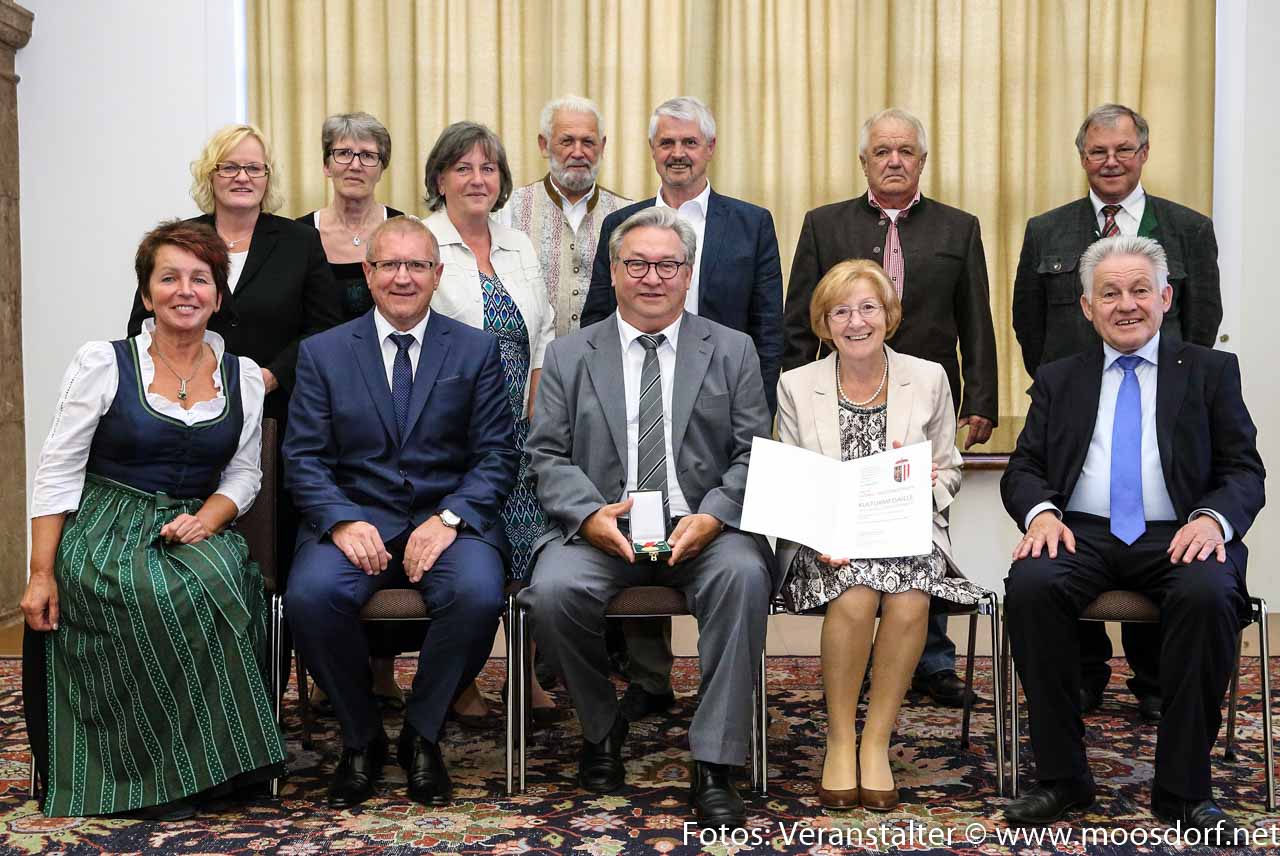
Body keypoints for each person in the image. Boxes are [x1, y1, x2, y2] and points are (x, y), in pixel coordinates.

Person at [1001, 236, 1264, 837]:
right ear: (1087, 307)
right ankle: (1062, 779)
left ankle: (1183, 791)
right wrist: (1041, 514)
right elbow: (1025, 467)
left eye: (1140, 290)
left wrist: (1211, 520)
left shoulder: (1210, 371)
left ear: (1165, 297)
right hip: (1081, 532)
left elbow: (1244, 470)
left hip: (1181, 531)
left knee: (1208, 594)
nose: (1126, 305)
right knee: (1032, 586)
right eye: (1110, 293)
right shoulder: (1059, 377)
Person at [22, 220, 286, 819]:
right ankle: (133, 768)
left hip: (196, 521)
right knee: (142, 589)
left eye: (200, 279)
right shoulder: (104, 362)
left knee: (222, 581)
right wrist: (40, 572)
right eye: (169, 278)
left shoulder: (244, 376)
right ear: (146, 294)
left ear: (218, 296)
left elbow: (245, 474)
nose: (185, 291)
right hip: (107, 519)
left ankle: (213, 768)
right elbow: (58, 468)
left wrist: (209, 519)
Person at [522, 207, 776, 829]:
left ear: (688, 274)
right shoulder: (569, 354)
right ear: (613, 271)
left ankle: (714, 760)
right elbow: (545, 454)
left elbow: (754, 452)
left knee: (744, 576)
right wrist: (587, 516)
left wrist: (715, 516)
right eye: (637, 264)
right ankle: (600, 727)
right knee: (551, 592)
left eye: (667, 265)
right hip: (602, 528)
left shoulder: (732, 349)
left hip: (704, 529)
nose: (652, 277)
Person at [283, 215, 519, 809]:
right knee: (310, 597)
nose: (403, 277)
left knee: (478, 594)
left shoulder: (475, 349)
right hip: (353, 519)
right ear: (367, 273)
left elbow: (498, 454)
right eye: (390, 264)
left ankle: (422, 734)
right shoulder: (323, 353)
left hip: (449, 519)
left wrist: (451, 518)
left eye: (417, 265)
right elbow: (303, 457)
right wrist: (341, 518)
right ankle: (361, 737)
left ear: (437, 275)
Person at [781, 107, 999, 708]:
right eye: (882, 151)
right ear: (864, 161)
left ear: (922, 161)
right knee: (858, 554)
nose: (894, 160)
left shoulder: (958, 228)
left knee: (920, 528)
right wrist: (794, 387)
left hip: (921, 398)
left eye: (906, 151)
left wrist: (981, 397)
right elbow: (801, 314)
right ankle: (860, 664)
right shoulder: (825, 224)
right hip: (840, 390)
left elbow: (976, 316)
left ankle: (930, 662)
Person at [1011, 103, 1223, 721]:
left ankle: (1157, 682)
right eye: (1098, 151)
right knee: (1058, 550)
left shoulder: (1188, 229)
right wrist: (1064, 392)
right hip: (1074, 424)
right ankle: (1080, 678)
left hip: (1161, 416)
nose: (1111, 161)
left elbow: (1202, 323)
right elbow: (1029, 323)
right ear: (1082, 158)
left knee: (1168, 539)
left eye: (1124, 149)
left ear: (1144, 153)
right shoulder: (1047, 229)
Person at [580, 95, 784, 722]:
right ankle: (649, 678)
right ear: (652, 150)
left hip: (720, 409)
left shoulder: (750, 223)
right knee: (638, 503)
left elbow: (768, 327)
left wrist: (753, 412)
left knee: (720, 551)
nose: (677, 153)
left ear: (710, 149)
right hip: (638, 400)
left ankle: (721, 715)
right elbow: (595, 317)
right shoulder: (625, 223)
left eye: (689, 142)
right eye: (666, 142)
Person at [776, 259, 987, 811]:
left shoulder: (929, 377)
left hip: (905, 532)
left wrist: (928, 485)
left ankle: (876, 742)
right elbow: (795, 479)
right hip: (828, 538)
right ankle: (839, 738)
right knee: (856, 593)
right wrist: (821, 531)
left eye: (868, 308)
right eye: (841, 312)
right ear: (824, 324)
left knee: (911, 597)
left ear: (889, 315)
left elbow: (951, 468)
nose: (856, 322)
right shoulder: (796, 385)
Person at [422, 121, 560, 724]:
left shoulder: (518, 244)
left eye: (489, 168)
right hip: (452, 431)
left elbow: (544, 329)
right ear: (439, 179)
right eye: (463, 168)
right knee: (475, 548)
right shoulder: (423, 242)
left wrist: (537, 403)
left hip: (522, 426)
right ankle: (462, 678)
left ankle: (523, 672)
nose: (477, 179)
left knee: (529, 544)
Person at [298, 111, 409, 716]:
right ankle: (333, 668)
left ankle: (383, 670)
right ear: (325, 163)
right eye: (343, 152)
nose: (355, 164)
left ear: (382, 165)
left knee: (391, 529)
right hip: (321, 397)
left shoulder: (406, 234)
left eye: (368, 154)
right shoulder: (298, 237)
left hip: (397, 396)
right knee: (327, 544)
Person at [498, 94, 632, 336]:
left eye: (588, 142)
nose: (578, 152)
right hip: (534, 356)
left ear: (602, 146)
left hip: (606, 354)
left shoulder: (627, 215)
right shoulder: (509, 210)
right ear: (544, 145)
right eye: (567, 141)